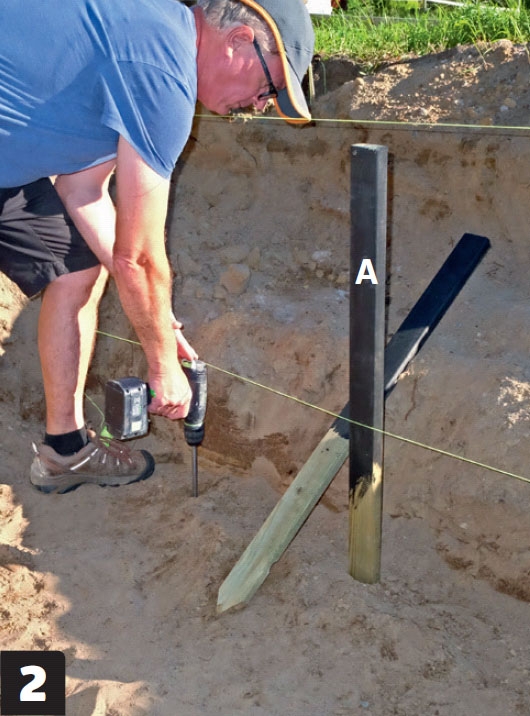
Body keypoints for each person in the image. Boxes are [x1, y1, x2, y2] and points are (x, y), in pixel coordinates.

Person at [0, 0, 315, 494]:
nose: (260, 105)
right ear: (239, 41)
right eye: (268, 88)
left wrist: (158, 319)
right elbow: (140, 257)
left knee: (77, 269)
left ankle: (65, 450)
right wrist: (163, 366)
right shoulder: (164, 75)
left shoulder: (148, 33)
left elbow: (82, 191)